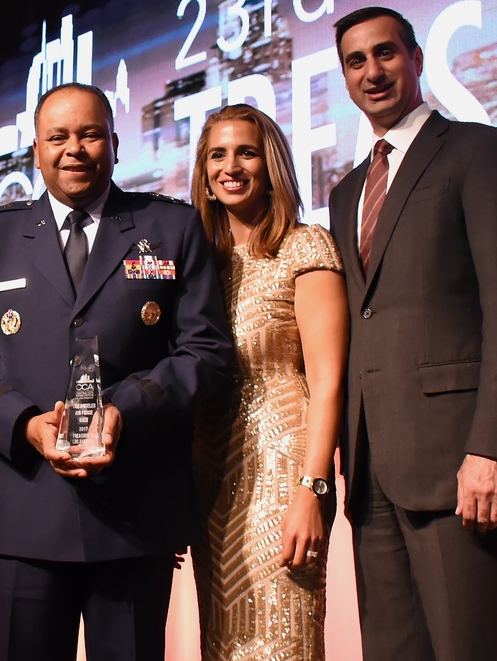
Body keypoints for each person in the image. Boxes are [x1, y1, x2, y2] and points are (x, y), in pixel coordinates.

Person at [0, 82, 233, 661]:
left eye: (90, 134)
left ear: (115, 145)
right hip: (27, 511)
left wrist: (125, 410)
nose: (74, 148)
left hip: (133, 510)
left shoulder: (172, 227)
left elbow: (206, 351)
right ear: (36, 151)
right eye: (58, 137)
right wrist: (25, 424)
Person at [328, 6, 497, 660]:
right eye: (356, 60)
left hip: (460, 464)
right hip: (370, 467)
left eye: (386, 53)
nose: (373, 71)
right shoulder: (347, 193)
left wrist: (495, 448)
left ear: (417, 58)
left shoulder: (480, 153)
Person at [188, 104, 348, 660]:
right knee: (222, 643)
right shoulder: (196, 265)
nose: (231, 166)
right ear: (204, 174)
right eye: (218, 154)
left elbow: (328, 384)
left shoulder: (305, 246)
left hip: (285, 475)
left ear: (271, 163)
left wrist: (313, 490)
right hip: (211, 478)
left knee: (283, 641)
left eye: (247, 152)